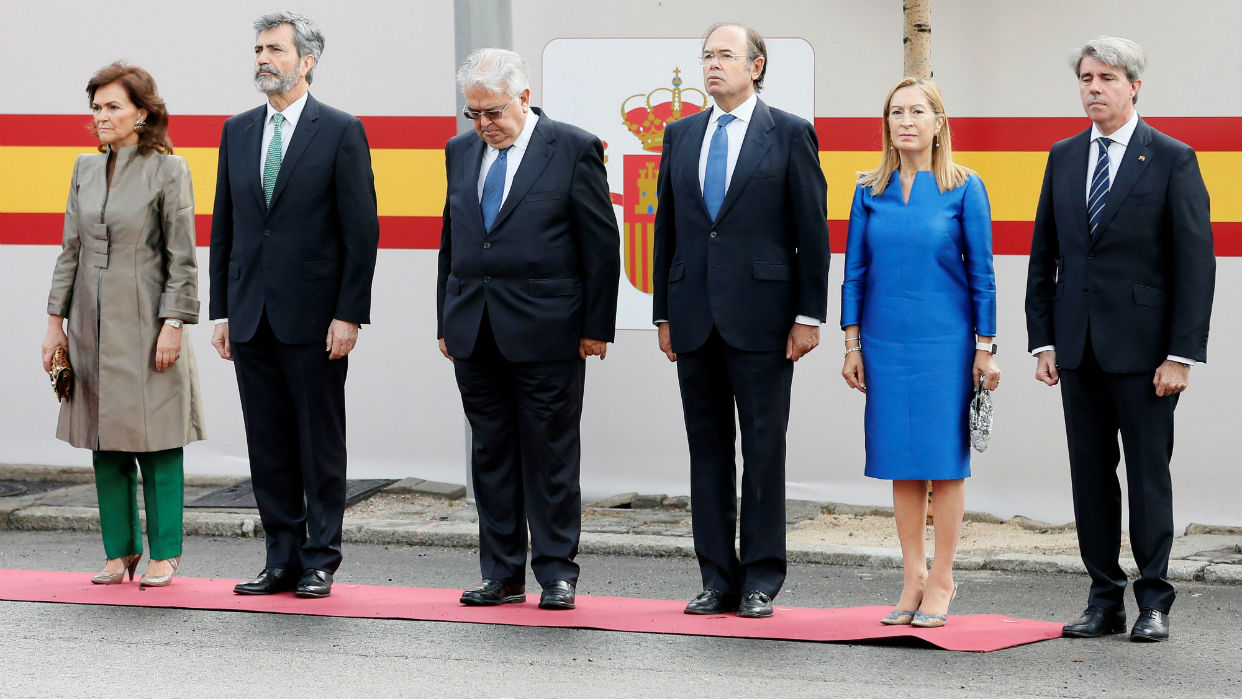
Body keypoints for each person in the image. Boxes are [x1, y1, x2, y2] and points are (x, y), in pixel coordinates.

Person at [1025, 36, 1214, 643]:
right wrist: (1044, 340)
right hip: (1077, 349)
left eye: (1107, 77)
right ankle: (1103, 597)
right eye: (1086, 77)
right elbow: (1045, 255)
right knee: (1090, 477)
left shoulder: (1172, 158)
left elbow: (1195, 265)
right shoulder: (1063, 156)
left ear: (1134, 85)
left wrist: (1181, 354)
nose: (1093, 89)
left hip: (1147, 355)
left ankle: (1153, 600)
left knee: (1147, 476)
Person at [651, 23, 830, 619]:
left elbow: (813, 234)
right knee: (707, 454)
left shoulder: (789, 135)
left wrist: (808, 315)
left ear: (756, 66)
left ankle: (760, 578)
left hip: (764, 322)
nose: (712, 65)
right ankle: (716, 580)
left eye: (725, 55)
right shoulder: (680, 135)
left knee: (762, 451)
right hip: (695, 318)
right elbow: (668, 232)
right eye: (706, 55)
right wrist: (663, 314)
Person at [437, 48, 620, 611]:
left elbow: (600, 244)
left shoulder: (572, 147)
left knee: (550, 455)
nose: (484, 125)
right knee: (491, 455)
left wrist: (596, 327)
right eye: (474, 114)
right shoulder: (460, 151)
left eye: (493, 112)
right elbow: (455, 239)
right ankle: (501, 573)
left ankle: (557, 572)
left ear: (523, 96)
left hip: (550, 331)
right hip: (474, 329)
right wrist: (446, 316)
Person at [209, 11, 379, 599]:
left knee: (318, 441)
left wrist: (349, 312)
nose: (262, 58)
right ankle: (279, 556)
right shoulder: (237, 130)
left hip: (315, 318)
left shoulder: (340, 130)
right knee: (269, 443)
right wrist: (223, 310)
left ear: (306, 61)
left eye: (275, 49)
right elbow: (226, 226)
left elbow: (361, 231)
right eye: (258, 48)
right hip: (252, 313)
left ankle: (319, 559)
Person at [840, 77, 999, 628]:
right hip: (884, 342)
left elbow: (983, 274)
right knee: (900, 463)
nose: (905, 121)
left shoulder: (964, 186)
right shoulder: (868, 189)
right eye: (896, 112)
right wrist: (852, 343)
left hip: (945, 343)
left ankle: (943, 578)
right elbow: (854, 272)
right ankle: (911, 577)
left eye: (917, 111)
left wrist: (986, 347)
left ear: (939, 122)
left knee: (943, 464)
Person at [42, 62, 204, 588]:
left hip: (148, 322)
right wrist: (54, 325)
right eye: (95, 107)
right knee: (103, 439)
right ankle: (119, 551)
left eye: (113, 106)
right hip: (89, 323)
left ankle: (166, 552)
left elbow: (182, 257)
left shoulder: (168, 170)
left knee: (158, 439)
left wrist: (175, 322)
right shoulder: (84, 168)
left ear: (142, 113)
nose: (101, 116)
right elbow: (70, 251)